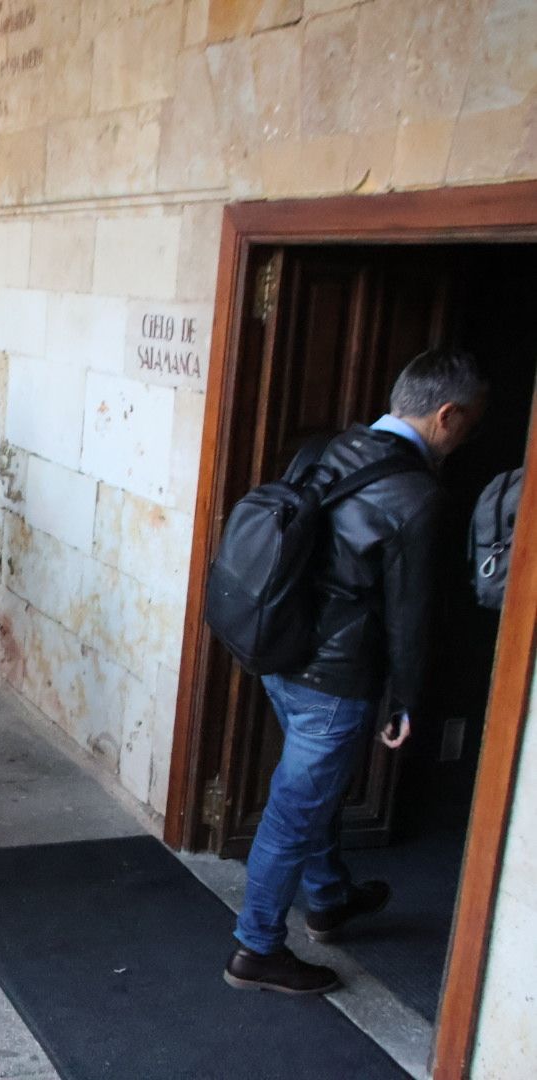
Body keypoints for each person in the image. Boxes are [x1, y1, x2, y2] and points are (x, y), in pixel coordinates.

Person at [224, 347, 487, 996]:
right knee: (294, 812)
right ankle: (256, 950)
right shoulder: (417, 496)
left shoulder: (327, 450)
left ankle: (329, 897)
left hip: (280, 655)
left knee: (315, 795)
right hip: (334, 683)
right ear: (448, 416)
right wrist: (407, 700)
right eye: (471, 423)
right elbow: (411, 616)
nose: (468, 437)